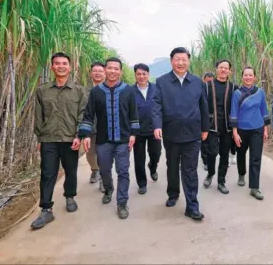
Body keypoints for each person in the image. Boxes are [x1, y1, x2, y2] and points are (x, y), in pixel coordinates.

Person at [78, 57, 140, 219]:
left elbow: (134, 113)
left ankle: (121, 202)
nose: (113, 71)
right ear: (105, 70)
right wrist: (85, 135)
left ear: (120, 71)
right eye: (110, 68)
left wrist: (134, 134)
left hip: (123, 139)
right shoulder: (96, 92)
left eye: (116, 68)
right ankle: (108, 188)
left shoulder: (128, 91)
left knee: (123, 171)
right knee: (104, 169)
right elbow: (88, 114)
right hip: (103, 139)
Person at [152, 47, 209, 221]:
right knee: (172, 165)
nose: (181, 62)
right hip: (171, 133)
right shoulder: (162, 82)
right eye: (177, 59)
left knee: (190, 169)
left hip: (193, 134)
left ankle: (192, 206)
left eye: (184, 59)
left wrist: (205, 128)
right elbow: (156, 106)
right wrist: (157, 125)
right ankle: (173, 193)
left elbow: (204, 107)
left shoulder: (198, 82)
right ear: (171, 61)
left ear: (188, 61)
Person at [32, 52, 86, 229]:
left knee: (70, 170)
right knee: (47, 173)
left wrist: (79, 135)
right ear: (52, 67)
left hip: (71, 139)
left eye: (64, 63)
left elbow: (82, 115)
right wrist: (39, 137)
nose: (61, 66)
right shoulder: (42, 90)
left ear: (70, 67)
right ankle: (46, 209)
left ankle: (70, 196)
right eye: (57, 63)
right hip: (49, 138)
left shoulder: (79, 91)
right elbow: (38, 116)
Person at [230, 67, 270, 200]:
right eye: (245, 75)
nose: (248, 77)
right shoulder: (236, 93)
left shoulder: (260, 92)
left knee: (255, 158)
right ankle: (241, 174)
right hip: (241, 129)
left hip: (257, 128)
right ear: (242, 77)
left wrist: (265, 129)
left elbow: (264, 109)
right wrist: (235, 133)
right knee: (241, 154)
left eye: (250, 75)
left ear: (254, 77)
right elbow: (234, 112)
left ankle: (254, 187)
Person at [202, 60, 238, 194]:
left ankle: (221, 181)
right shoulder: (206, 86)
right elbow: (201, 106)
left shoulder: (234, 87)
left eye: (226, 68)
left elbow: (239, 106)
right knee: (211, 152)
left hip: (227, 127)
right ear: (216, 69)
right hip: (212, 125)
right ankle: (210, 173)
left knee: (224, 154)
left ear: (229, 71)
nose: (223, 70)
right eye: (221, 67)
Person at [132, 63, 161, 195]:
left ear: (148, 75)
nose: (142, 76)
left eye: (144, 74)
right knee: (139, 159)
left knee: (156, 153)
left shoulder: (156, 89)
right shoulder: (130, 91)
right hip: (137, 131)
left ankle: (153, 167)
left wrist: (160, 125)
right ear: (135, 75)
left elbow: (162, 108)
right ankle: (142, 183)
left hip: (154, 129)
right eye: (139, 74)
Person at [85, 62, 106, 193]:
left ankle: (104, 179)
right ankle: (94, 170)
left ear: (105, 73)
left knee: (104, 156)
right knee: (90, 155)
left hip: (106, 130)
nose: (97, 73)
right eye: (95, 71)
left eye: (100, 71)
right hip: (90, 129)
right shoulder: (85, 91)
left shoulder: (109, 89)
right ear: (91, 73)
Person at [201, 72, 214, 171]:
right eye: (207, 81)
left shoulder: (214, 90)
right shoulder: (201, 89)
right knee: (204, 141)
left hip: (213, 120)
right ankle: (205, 161)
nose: (209, 83)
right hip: (202, 119)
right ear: (204, 80)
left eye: (211, 81)